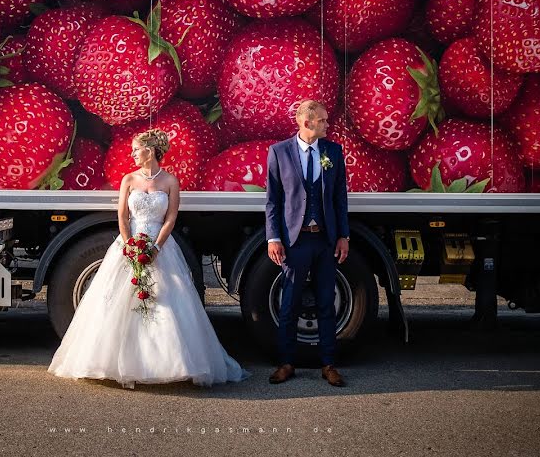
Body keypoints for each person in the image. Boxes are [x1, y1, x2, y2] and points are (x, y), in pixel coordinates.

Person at [48, 129, 249, 389]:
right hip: (130, 243)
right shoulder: (129, 179)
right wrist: (130, 245)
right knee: (116, 302)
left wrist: (154, 248)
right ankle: (116, 361)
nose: (132, 153)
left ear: (150, 151)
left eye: (135, 149)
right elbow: (122, 216)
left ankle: (164, 362)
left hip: (160, 246)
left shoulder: (170, 181)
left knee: (165, 301)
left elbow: (171, 218)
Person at [265, 100, 350, 387]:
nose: (328, 125)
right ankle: (286, 363)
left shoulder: (333, 152)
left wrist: (343, 235)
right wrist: (273, 237)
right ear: (308, 122)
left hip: (325, 240)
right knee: (289, 303)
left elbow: (340, 198)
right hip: (294, 241)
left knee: (327, 302)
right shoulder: (279, 152)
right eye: (324, 120)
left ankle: (329, 364)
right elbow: (273, 200)